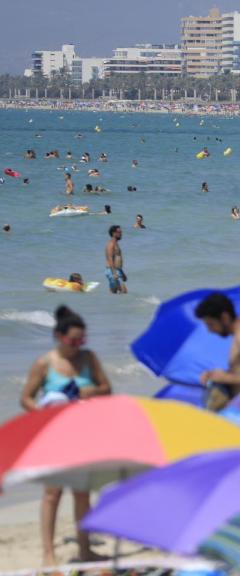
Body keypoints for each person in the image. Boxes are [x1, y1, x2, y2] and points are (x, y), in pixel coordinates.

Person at [20, 306, 112, 566]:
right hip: (53, 435)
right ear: (59, 337)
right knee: (52, 494)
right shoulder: (44, 363)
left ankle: (85, 550)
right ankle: (48, 555)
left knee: (82, 494)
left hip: (83, 433)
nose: (77, 345)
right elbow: (26, 398)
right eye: (73, 341)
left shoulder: (88, 358)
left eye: (82, 340)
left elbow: (106, 388)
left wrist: (90, 392)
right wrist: (41, 411)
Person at [195, 292, 240, 411]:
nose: (210, 330)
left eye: (211, 324)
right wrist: (217, 374)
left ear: (224, 317)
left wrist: (225, 378)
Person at [104, 225, 126, 294]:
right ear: (114, 233)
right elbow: (110, 258)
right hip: (113, 271)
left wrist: (122, 273)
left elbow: (116, 260)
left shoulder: (116, 244)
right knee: (123, 292)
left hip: (116, 271)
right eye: (119, 232)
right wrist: (114, 273)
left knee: (114, 293)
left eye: (121, 232)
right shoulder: (111, 244)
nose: (121, 234)